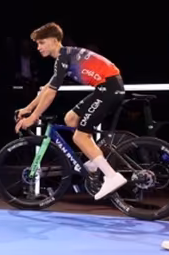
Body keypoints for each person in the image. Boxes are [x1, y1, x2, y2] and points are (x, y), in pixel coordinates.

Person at [15, 22, 127, 200]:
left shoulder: (63, 58)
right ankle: (95, 158)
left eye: (41, 42)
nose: (38, 47)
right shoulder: (65, 56)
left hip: (109, 89)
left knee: (79, 137)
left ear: (54, 40)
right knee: (71, 118)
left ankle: (111, 176)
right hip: (106, 88)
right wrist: (28, 108)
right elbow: (47, 88)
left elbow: (51, 93)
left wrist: (34, 117)